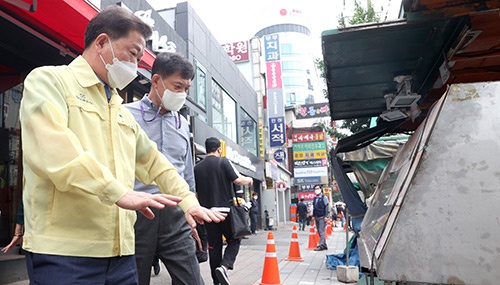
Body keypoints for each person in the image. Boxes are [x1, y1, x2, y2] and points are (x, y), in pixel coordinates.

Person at [19, 6, 224, 284]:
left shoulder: (117, 106)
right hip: (66, 251)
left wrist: (188, 201)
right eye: (133, 53)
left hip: (121, 252)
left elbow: (154, 163)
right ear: (102, 42)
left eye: (140, 57)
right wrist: (118, 192)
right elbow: (54, 152)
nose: (136, 63)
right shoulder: (50, 81)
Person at [124, 52, 205, 285]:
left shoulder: (182, 125)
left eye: (186, 88)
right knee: (134, 280)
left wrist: (192, 212)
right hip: (137, 214)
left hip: (176, 215)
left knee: (192, 280)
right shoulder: (126, 115)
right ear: (156, 80)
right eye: (177, 86)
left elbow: (187, 176)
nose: (182, 94)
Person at [194, 137, 254, 285]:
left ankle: (217, 282)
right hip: (225, 212)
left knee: (214, 248)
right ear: (219, 149)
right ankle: (225, 266)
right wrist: (250, 180)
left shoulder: (197, 167)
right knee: (235, 240)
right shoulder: (224, 162)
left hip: (207, 214)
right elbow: (238, 180)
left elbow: (194, 193)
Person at [312, 185, 329, 251]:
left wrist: (326, 216)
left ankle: (321, 245)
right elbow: (314, 208)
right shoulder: (315, 198)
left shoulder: (324, 197)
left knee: (321, 231)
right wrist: (313, 216)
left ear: (321, 189)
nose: (317, 190)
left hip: (322, 217)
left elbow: (326, 207)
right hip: (316, 216)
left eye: (318, 188)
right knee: (319, 231)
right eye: (315, 189)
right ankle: (324, 245)